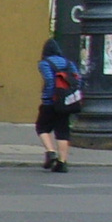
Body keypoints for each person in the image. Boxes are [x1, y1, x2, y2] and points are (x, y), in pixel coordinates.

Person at [37, 37, 81, 173]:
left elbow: (50, 80)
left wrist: (48, 96)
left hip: (51, 102)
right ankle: (62, 162)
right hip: (66, 102)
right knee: (62, 130)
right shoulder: (68, 63)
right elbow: (78, 79)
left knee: (42, 127)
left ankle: (50, 152)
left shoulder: (45, 63)